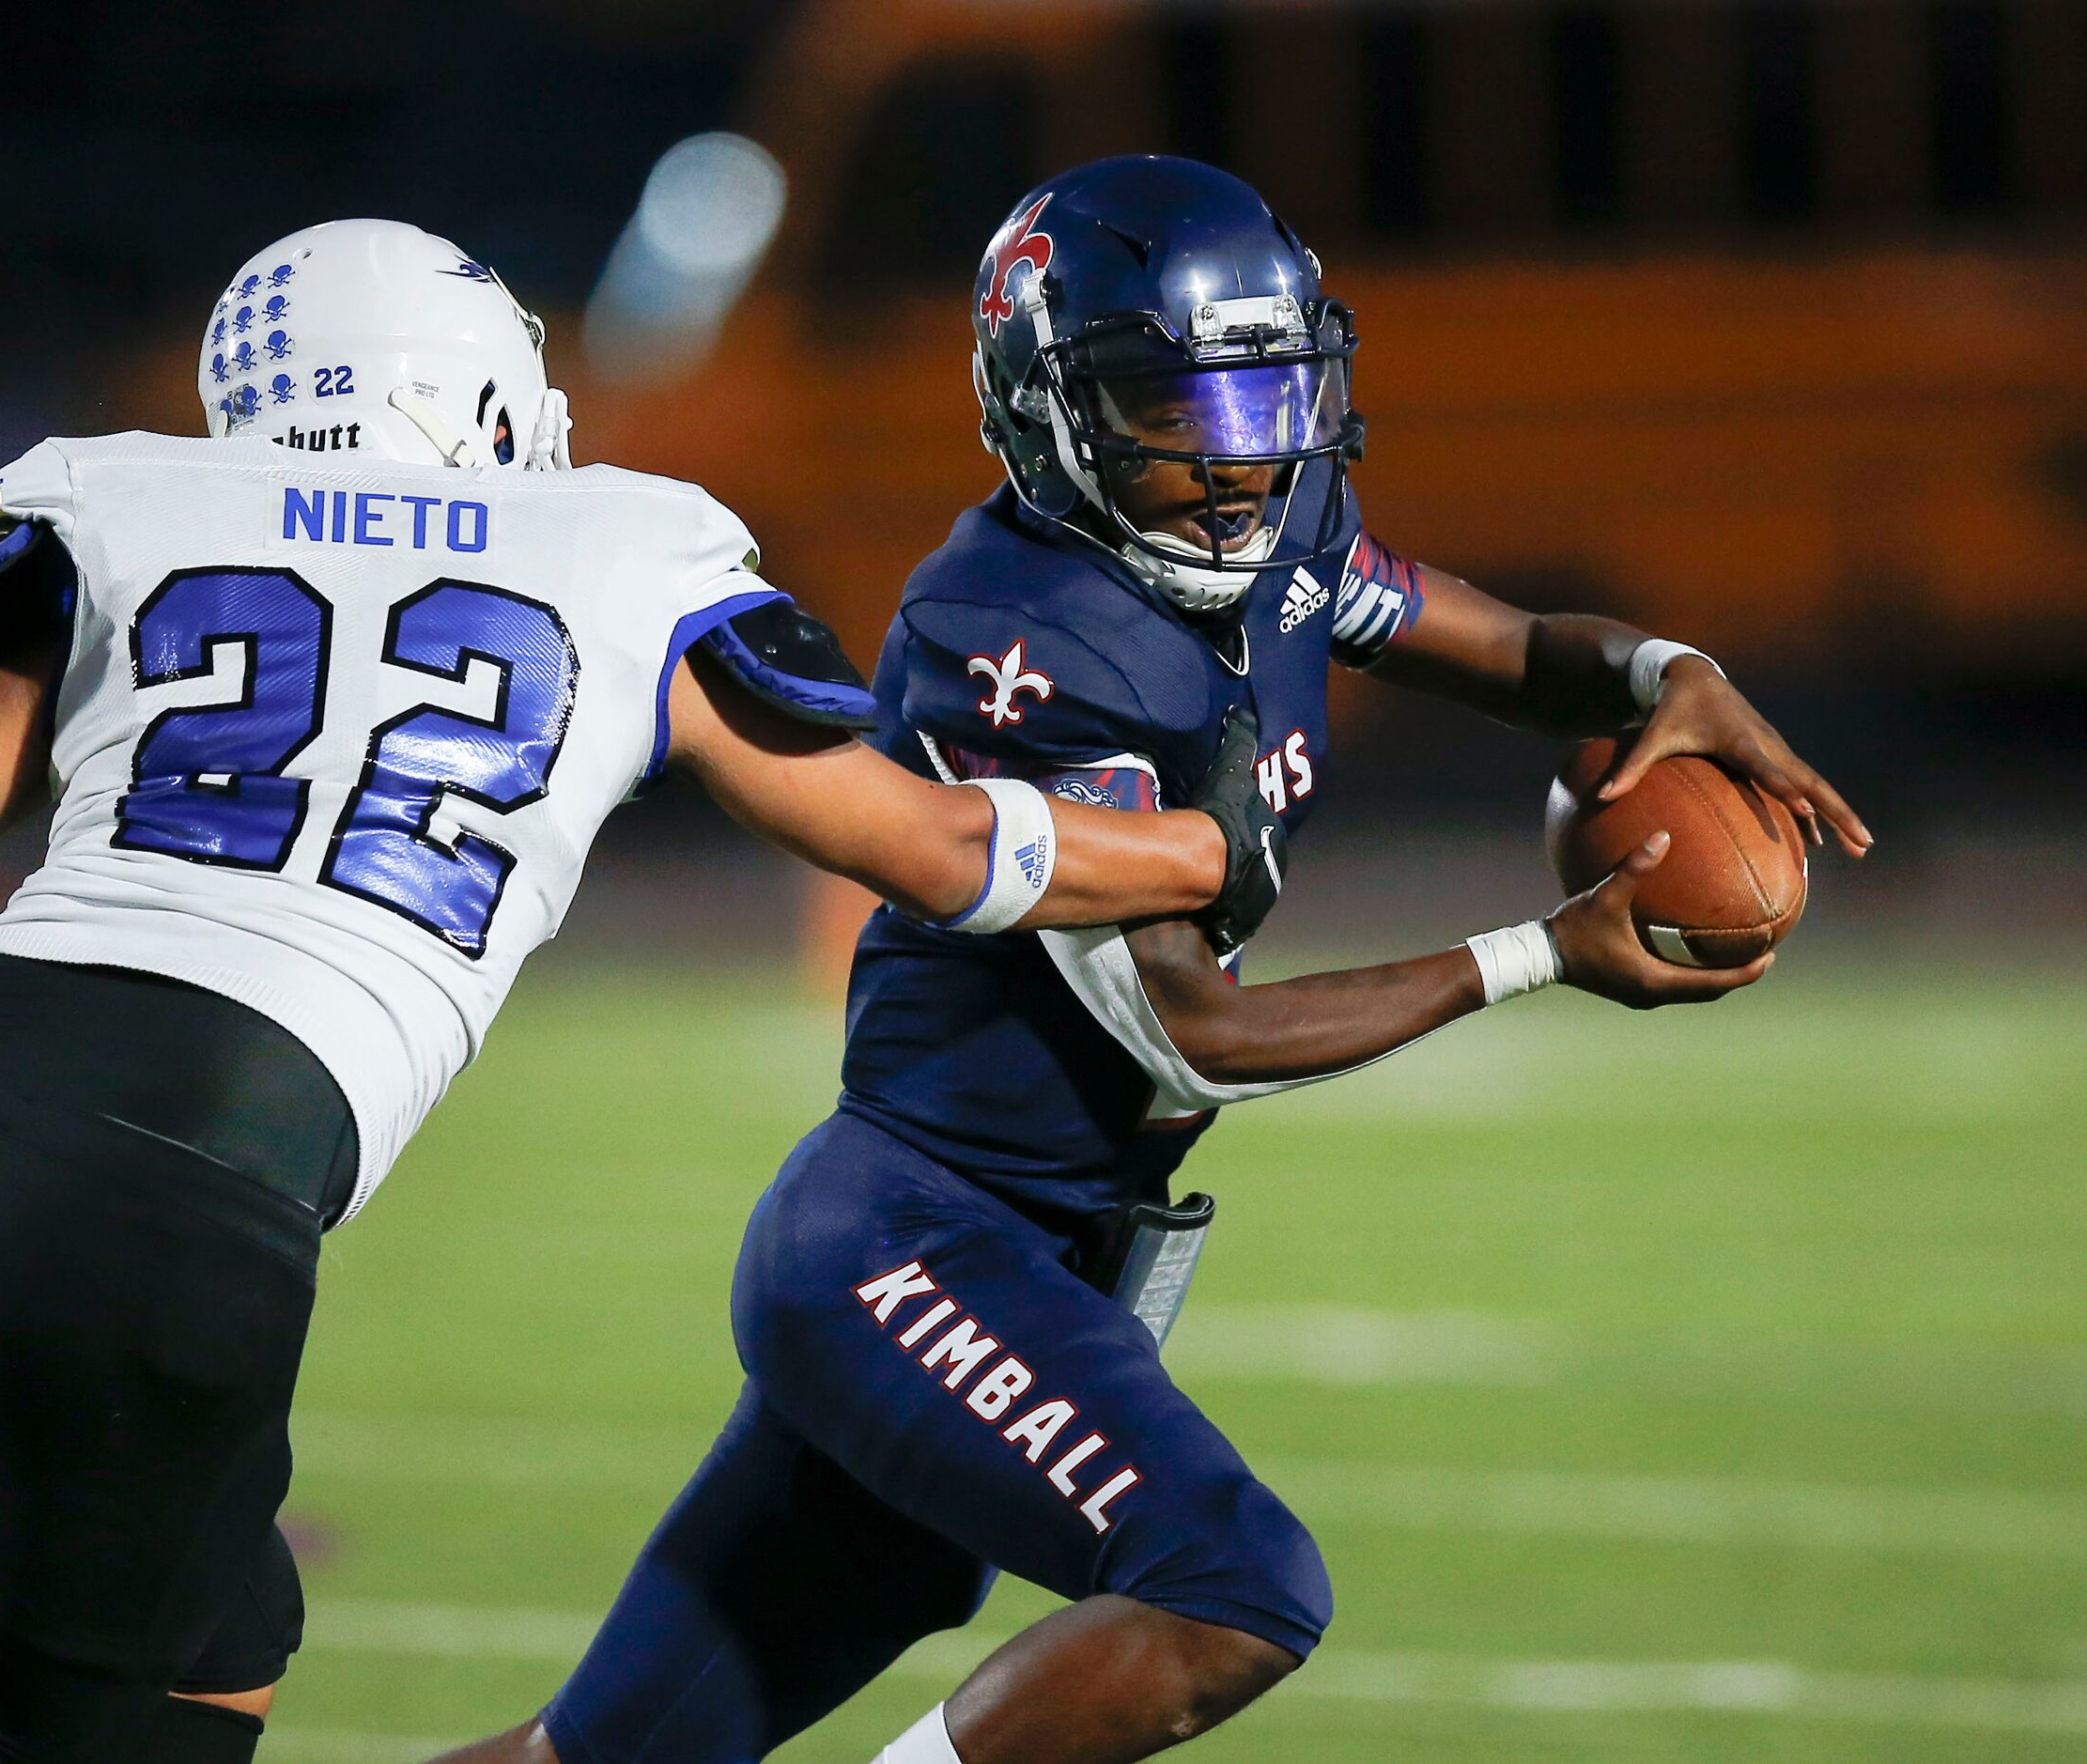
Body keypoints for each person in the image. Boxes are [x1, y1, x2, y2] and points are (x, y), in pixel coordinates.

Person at [0, 217, 1288, 1764]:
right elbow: (936, 849)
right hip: (174, 1222)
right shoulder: (626, 548)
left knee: (208, 1637)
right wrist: (1209, 853)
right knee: (44, 1712)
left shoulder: (116, 495)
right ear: (461, 380)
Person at [437, 157, 1874, 1764]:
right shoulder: (1025, 629)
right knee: (1233, 1585)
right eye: (1173, 407)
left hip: (1028, 1252)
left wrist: (1674, 669)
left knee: (597, 1760)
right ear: (1052, 408)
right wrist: (1538, 952)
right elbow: (1194, 1029)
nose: (1239, 459)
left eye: (1267, 397)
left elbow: (1513, 653)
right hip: (911, 1245)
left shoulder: (1276, 531)